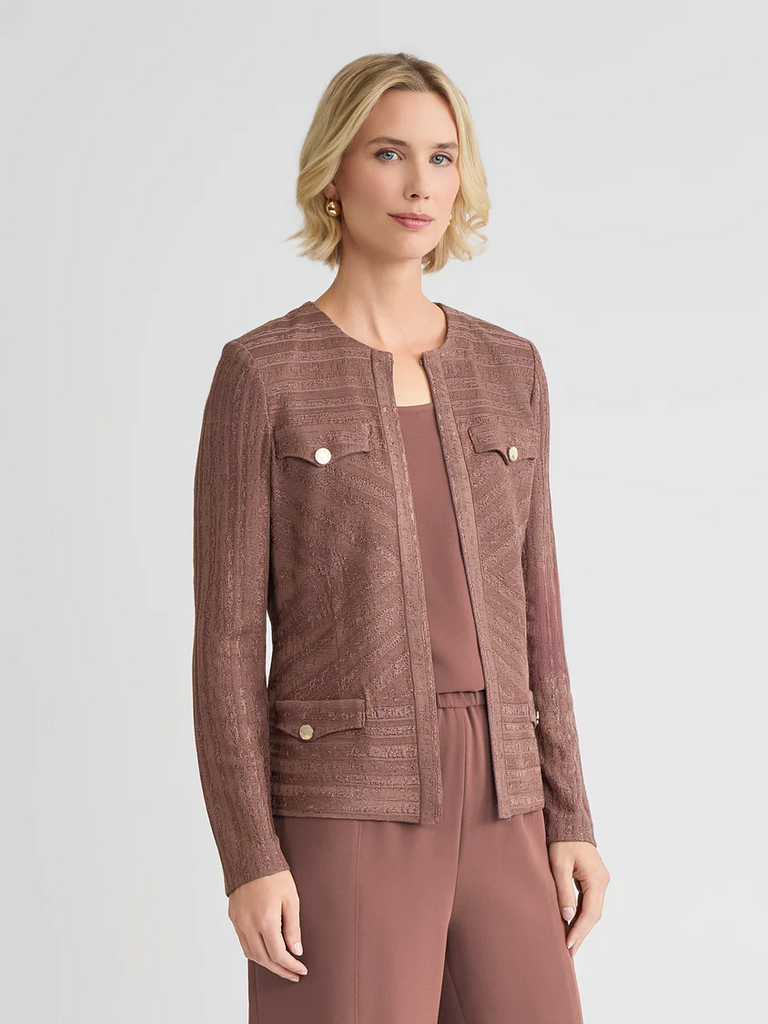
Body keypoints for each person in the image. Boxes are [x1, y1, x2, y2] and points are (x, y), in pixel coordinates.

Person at [192, 51, 610, 1024]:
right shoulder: (264, 373)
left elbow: (540, 622)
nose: (420, 183)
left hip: (506, 793)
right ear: (334, 173)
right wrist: (249, 854)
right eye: (389, 153)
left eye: (441, 156)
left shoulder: (511, 368)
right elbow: (226, 644)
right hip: (346, 793)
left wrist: (570, 814)